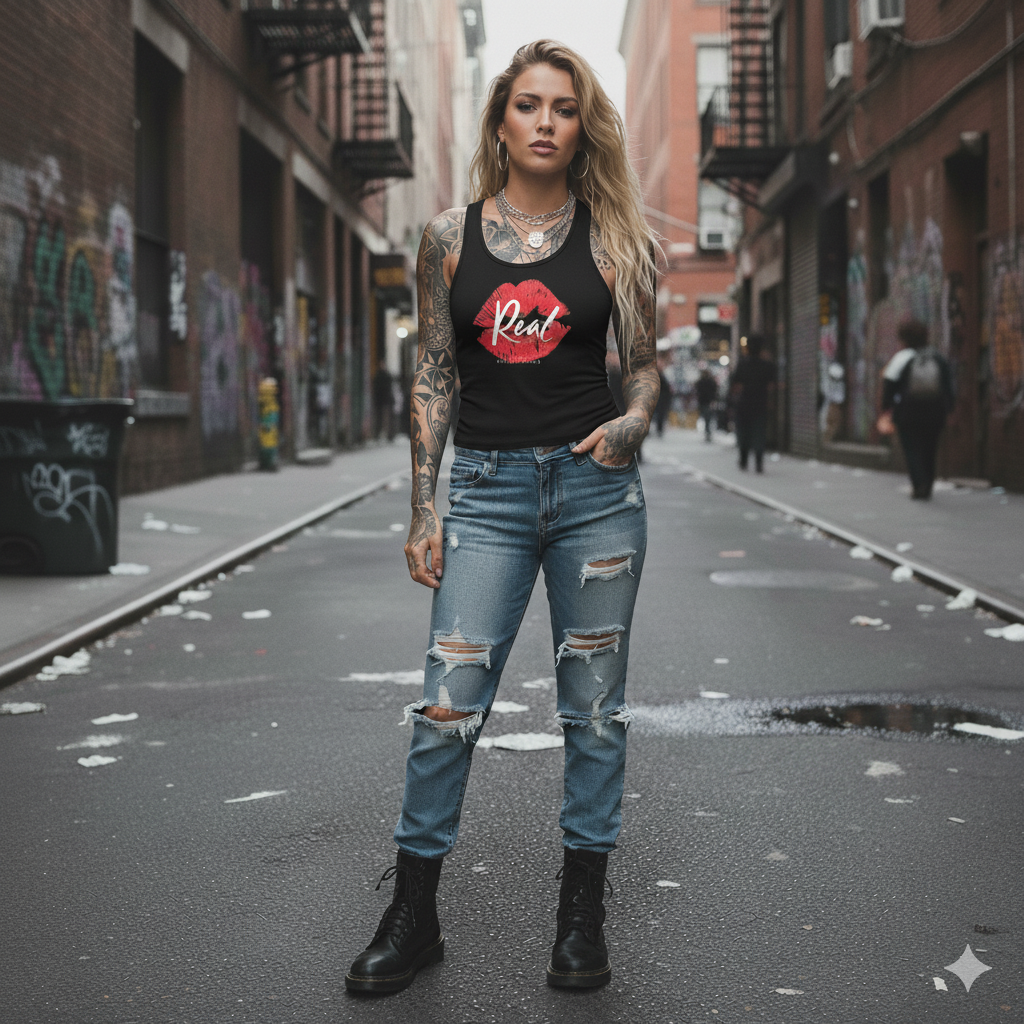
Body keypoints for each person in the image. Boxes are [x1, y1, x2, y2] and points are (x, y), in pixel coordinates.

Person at [345, 40, 660, 995]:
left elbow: (642, 363)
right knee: (446, 708)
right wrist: (421, 508)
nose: (546, 122)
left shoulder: (615, 236)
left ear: (581, 125)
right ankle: (414, 913)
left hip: (595, 495)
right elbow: (434, 371)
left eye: (564, 108)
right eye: (528, 105)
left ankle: (581, 918)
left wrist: (635, 420)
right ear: (501, 121)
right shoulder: (448, 236)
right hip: (482, 494)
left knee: (594, 715)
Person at [877, 319, 954, 499]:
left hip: (907, 413)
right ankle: (928, 485)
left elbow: (889, 386)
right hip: (935, 412)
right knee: (930, 449)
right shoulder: (937, 357)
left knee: (912, 449)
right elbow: (947, 387)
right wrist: (949, 409)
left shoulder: (901, 358)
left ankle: (918, 484)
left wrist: (886, 408)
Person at [729, 335, 775, 472]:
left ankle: (743, 460)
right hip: (760, 403)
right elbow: (772, 386)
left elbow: (735, 385)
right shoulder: (767, 365)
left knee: (744, 433)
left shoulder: (743, 364)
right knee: (759, 433)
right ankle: (759, 463)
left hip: (744, 403)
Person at [694, 368, 717, 442]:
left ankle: (707, 432)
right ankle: (708, 432)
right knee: (708, 418)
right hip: (708, 402)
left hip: (703, 402)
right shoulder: (711, 382)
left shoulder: (700, 382)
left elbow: (697, 390)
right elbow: (715, 392)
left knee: (706, 417)